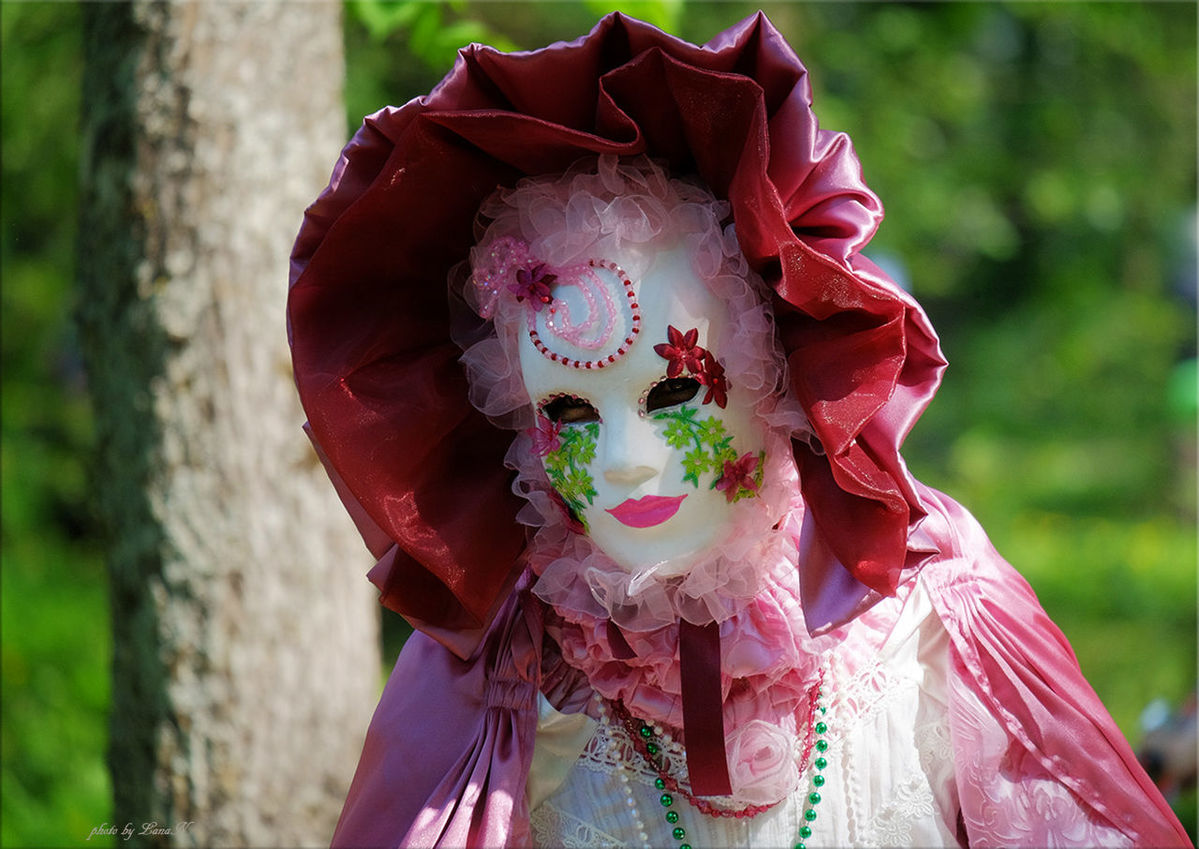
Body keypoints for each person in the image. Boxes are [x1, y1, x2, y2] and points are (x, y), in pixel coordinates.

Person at [286, 13, 1191, 849]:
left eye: (674, 392)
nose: (624, 463)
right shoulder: (503, 677)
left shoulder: (928, 610)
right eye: (566, 411)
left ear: (772, 365)